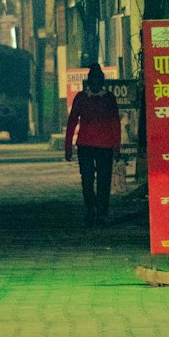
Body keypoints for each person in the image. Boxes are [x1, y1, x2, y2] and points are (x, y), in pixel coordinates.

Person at [65, 64, 121, 225]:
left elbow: (115, 123)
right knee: (89, 179)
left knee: (99, 179)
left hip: (101, 145)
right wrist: (68, 147)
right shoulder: (85, 98)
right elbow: (72, 122)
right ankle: (93, 208)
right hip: (88, 146)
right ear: (89, 82)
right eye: (93, 82)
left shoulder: (103, 98)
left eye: (98, 82)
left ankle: (99, 209)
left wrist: (116, 146)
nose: (95, 85)